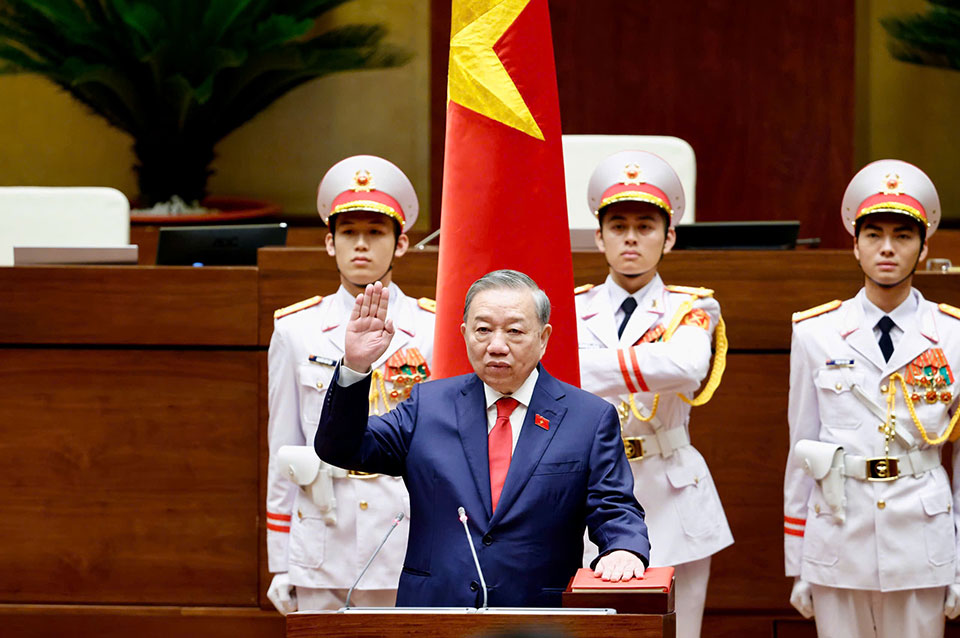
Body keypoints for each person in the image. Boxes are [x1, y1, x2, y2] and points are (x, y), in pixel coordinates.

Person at [315, 270, 651, 607]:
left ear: (543, 337)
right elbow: (342, 448)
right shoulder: (427, 406)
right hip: (435, 612)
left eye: (515, 331)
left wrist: (624, 548)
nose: (497, 346)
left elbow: (614, 506)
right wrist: (355, 367)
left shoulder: (588, 419)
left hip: (538, 616)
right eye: (483, 330)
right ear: (464, 334)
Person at [784, 159, 960, 638]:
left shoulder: (952, 335)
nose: (887, 248)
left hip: (922, 535)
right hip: (839, 531)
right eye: (874, 234)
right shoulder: (815, 332)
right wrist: (798, 561)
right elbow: (802, 449)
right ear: (854, 244)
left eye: (903, 236)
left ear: (924, 249)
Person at [265, 155, 436, 613]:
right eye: (349, 233)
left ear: (401, 244)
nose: (361, 245)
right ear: (329, 242)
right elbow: (284, 446)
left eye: (376, 233)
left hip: (401, 528)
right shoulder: (296, 330)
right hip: (322, 529)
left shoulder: (433, 329)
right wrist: (280, 561)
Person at [575, 151, 733, 638]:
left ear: (669, 237)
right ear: (598, 236)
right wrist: (648, 366)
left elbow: (686, 366)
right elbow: (551, 377)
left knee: (679, 631)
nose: (630, 237)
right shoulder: (567, 304)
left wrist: (584, 366)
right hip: (592, 491)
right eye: (617, 224)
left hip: (672, 490)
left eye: (645, 225)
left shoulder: (693, 306)